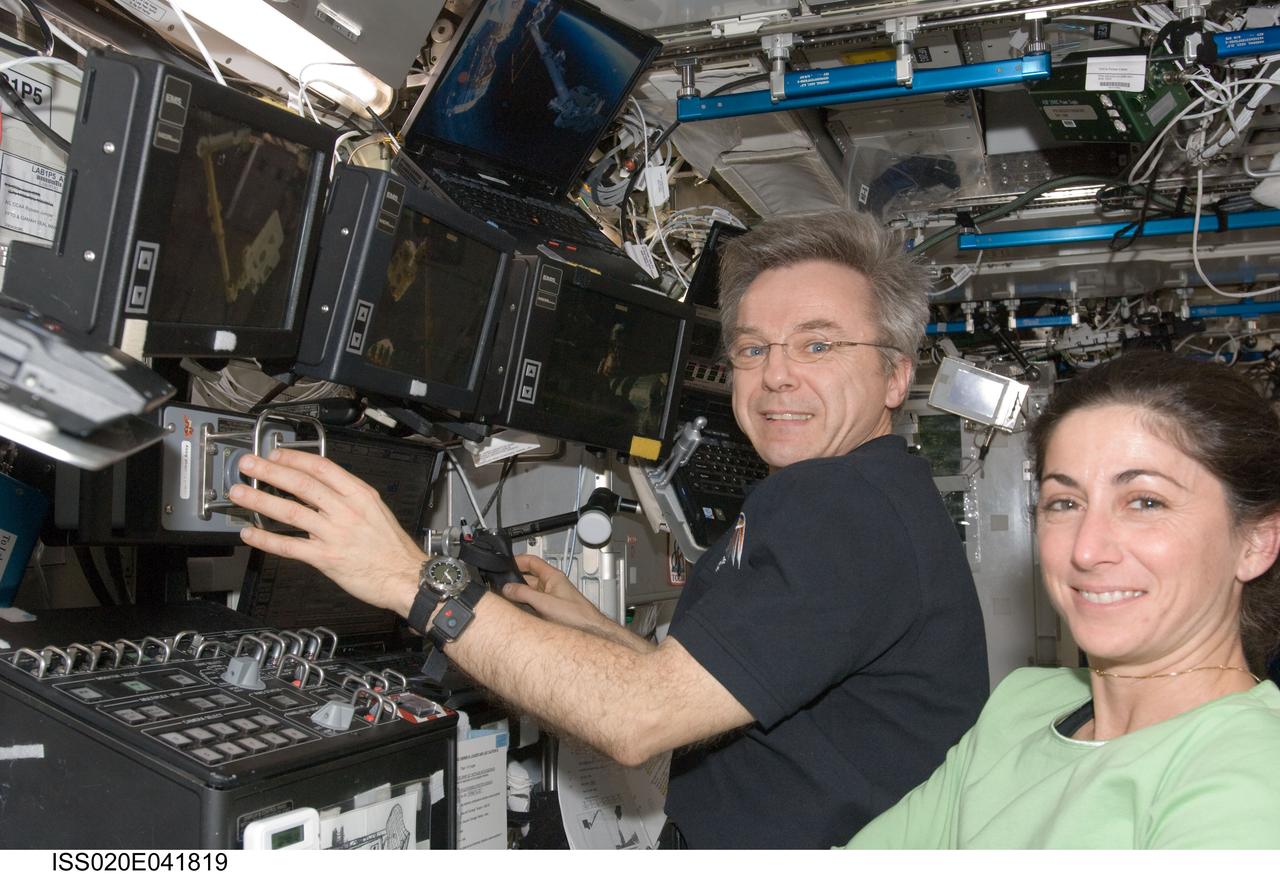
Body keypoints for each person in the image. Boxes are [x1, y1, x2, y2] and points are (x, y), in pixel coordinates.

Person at [227, 211, 989, 848]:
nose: (777, 375)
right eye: (753, 349)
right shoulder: (873, 492)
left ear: (896, 373)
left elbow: (638, 720)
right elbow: (725, 690)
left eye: (818, 344)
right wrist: (595, 632)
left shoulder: (842, 506)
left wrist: (409, 581)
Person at [844, 350, 1280, 849]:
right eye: (1064, 503)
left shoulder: (1250, 773)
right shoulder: (1023, 703)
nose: (1087, 549)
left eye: (1145, 502)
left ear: (1256, 542)